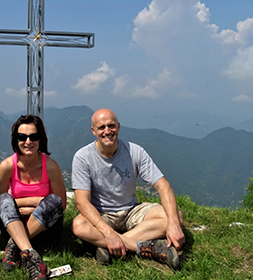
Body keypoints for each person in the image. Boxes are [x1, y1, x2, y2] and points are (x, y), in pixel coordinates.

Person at [71, 109, 184, 269]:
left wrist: (173, 224)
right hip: (102, 214)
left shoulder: (135, 151)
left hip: (131, 210)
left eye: (111, 126)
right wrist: (107, 231)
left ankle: (108, 246)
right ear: (93, 131)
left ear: (118, 126)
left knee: (176, 216)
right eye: (101, 127)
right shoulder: (83, 157)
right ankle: (146, 248)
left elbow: (163, 185)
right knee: (78, 225)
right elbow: (82, 202)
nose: (107, 131)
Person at [0, 114, 66, 280]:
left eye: (33, 136)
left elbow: (61, 204)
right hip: (14, 223)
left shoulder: (51, 166)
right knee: (4, 198)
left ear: (41, 139)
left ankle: (14, 245)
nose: (28, 142)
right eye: (22, 137)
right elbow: (0, 202)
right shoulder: (6, 166)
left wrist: (22, 205)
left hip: (45, 228)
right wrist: (36, 202)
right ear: (16, 139)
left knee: (54, 201)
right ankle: (32, 256)